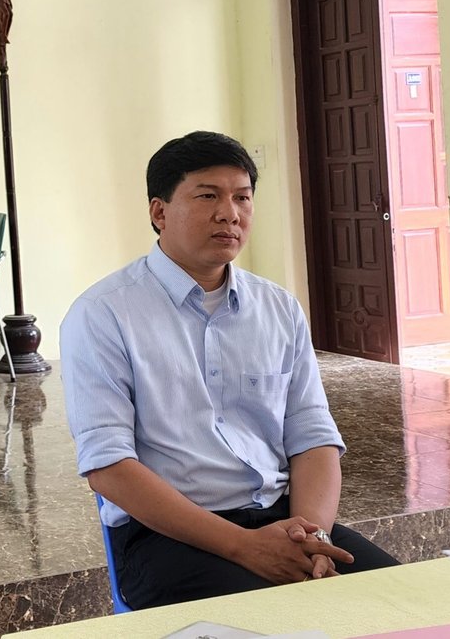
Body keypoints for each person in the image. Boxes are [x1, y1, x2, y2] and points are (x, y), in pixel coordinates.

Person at [61, 131, 398, 609]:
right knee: (286, 619)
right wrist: (245, 547)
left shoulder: (278, 308)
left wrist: (313, 537)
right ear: (159, 212)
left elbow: (313, 436)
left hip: (284, 522)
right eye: (208, 196)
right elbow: (108, 467)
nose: (230, 213)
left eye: (242, 197)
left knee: (408, 603)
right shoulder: (103, 314)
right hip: (168, 539)